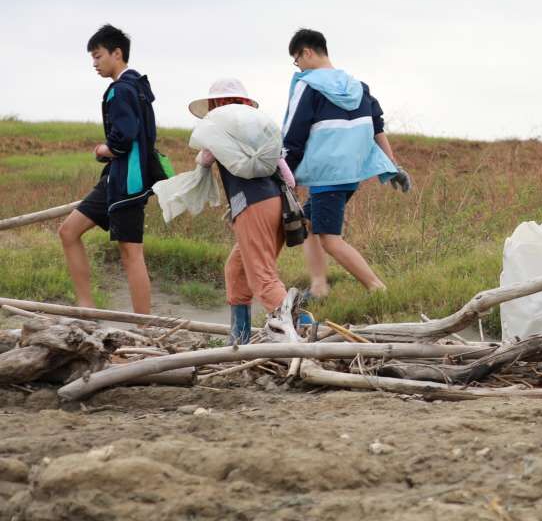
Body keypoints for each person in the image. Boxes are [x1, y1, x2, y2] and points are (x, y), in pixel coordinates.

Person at [282, 29, 412, 297]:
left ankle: (378, 289)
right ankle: (319, 287)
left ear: (306, 52)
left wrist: (285, 173)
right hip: (350, 173)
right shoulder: (358, 87)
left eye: (297, 60)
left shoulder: (308, 85)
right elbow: (377, 128)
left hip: (326, 174)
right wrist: (393, 165)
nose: (299, 67)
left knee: (330, 238)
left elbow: (294, 133)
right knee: (308, 225)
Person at [187, 79, 304, 344]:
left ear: (216, 104)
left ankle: (304, 329)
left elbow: (204, 158)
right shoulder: (260, 133)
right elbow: (289, 178)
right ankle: (239, 341)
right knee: (236, 269)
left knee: (262, 276)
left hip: (252, 206)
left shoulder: (219, 129)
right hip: (277, 205)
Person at [58, 25, 159, 313]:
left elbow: (124, 138)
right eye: (92, 57)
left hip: (128, 182)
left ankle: (144, 329)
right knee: (68, 232)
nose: (94, 63)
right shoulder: (137, 87)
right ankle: (87, 308)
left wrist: (104, 149)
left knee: (131, 253)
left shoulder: (121, 90)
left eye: (98, 56)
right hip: (115, 180)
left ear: (117, 53)